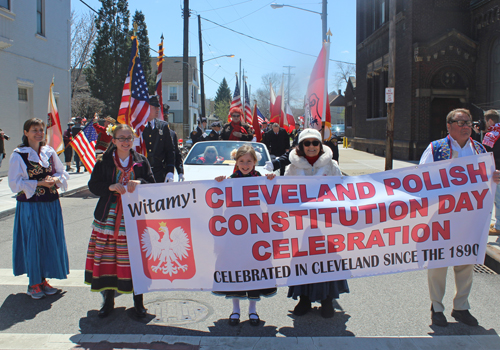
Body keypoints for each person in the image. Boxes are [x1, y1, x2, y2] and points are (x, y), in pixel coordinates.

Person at [419, 108, 500, 327]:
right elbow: (419, 178)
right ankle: (437, 307)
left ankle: (461, 306)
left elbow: (486, 179)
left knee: (466, 261)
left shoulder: (480, 149)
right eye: (461, 122)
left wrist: (494, 177)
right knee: (438, 262)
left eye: (469, 122)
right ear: (449, 126)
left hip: (469, 217)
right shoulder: (436, 149)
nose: (466, 127)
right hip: (441, 216)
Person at [85, 123, 155, 318]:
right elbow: (93, 185)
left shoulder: (141, 162)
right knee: (109, 258)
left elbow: (153, 184)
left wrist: (140, 183)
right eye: (122, 138)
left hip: (134, 217)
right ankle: (108, 301)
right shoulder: (104, 161)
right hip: (109, 218)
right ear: (113, 141)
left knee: (135, 260)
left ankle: (138, 301)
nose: (126, 142)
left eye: (129, 138)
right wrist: (110, 187)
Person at [284, 128, 349, 318]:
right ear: (301, 146)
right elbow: (284, 194)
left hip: (326, 223)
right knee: (303, 259)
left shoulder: (332, 165)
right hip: (302, 224)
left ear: (320, 146)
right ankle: (304, 298)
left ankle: (327, 299)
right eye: (307, 143)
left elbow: (341, 190)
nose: (311, 146)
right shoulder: (292, 168)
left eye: (315, 143)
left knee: (327, 259)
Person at [213, 144, 276, 326]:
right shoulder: (229, 180)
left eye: (249, 161)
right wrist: (218, 183)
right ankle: (235, 309)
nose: (245, 164)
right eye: (242, 161)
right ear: (236, 162)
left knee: (254, 267)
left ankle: (253, 310)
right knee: (234, 267)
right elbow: (216, 198)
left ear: (255, 162)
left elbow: (271, 199)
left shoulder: (261, 179)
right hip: (234, 230)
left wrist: (271, 180)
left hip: (255, 230)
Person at [8, 118, 70, 299]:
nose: (39, 133)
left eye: (41, 130)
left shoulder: (49, 152)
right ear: (26, 132)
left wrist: (56, 179)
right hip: (31, 205)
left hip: (51, 203)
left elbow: (62, 171)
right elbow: (15, 184)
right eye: (34, 130)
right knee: (34, 241)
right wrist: (39, 182)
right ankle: (33, 282)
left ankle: (43, 279)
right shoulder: (18, 155)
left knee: (49, 240)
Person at [142, 95, 175, 183]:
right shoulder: (138, 127)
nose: (158, 109)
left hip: (159, 172)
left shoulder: (163, 126)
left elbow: (170, 150)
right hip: (141, 173)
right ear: (146, 107)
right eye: (154, 107)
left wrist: (170, 171)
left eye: (158, 107)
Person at [482, 110, 500, 235]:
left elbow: (485, 153)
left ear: (490, 120)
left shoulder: (491, 134)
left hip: (496, 171)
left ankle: (498, 226)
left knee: (498, 199)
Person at [163, 107, 184, 182]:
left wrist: (180, 172)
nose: (165, 117)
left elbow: (176, 154)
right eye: (163, 115)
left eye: (166, 116)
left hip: (167, 171)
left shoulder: (172, 133)